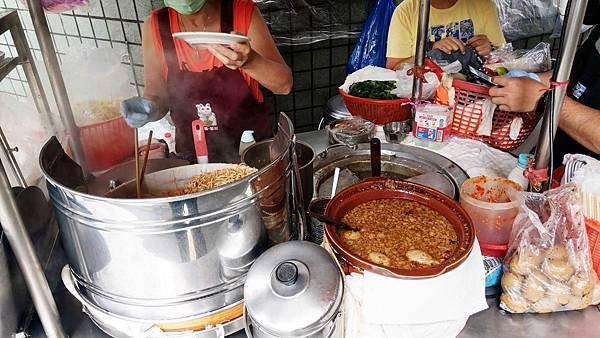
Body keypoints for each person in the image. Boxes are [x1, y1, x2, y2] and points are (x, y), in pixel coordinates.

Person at [120, 0, 292, 163]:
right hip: (191, 167)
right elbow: (156, 96)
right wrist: (149, 108)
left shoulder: (241, 13)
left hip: (252, 156)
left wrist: (250, 61)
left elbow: (284, 85)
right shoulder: (156, 26)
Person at [488, 0, 600, 166]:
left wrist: (543, 99)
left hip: (587, 183)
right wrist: (522, 79)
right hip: (553, 159)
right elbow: (567, 75)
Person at [386, 0, 506, 70]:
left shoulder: (483, 5)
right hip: (425, 100)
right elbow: (393, 68)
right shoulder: (406, 11)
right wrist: (432, 53)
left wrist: (491, 50)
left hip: (473, 98)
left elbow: (506, 62)